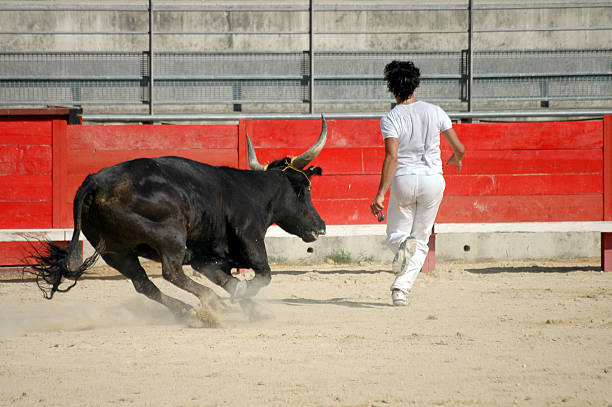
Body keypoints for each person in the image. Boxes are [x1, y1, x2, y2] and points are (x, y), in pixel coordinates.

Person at [370, 60, 465, 306]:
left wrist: (380, 193)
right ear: (416, 84)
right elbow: (460, 148)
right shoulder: (436, 111)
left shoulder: (390, 118)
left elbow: (391, 156)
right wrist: (456, 158)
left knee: (395, 235)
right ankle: (401, 289)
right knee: (421, 240)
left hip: (403, 179)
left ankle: (403, 245)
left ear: (392, 88)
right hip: (433, 180)